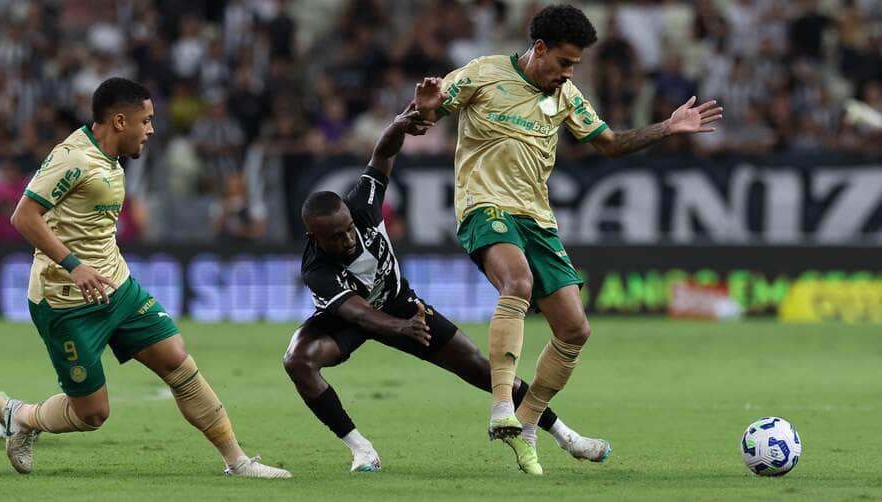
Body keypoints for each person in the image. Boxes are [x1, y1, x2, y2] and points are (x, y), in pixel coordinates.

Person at [413, 4, 723, 474]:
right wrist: (426, 105)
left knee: (575, 330)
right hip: (485, 208)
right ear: (539, 49)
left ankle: (529, 421)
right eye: (564, 62)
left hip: (537, 221)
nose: (569, 72)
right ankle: (501, 408)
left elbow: (611, 144)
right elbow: (431, 109)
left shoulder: (566, 96)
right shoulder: (484, 73)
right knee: (516, 282)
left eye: (575, 64)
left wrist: (668, 127)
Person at [285, 104, 607, 474]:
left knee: (479, 368)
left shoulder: (362, 205)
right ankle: (362, 449)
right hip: (347, 320)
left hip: (401, 305)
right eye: (334, 237)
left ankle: (567, 436)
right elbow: (355, 313)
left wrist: (397, 126)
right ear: (314, 237)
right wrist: (400, 328)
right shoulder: (316, 269)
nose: (346, 239)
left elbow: (382, 154)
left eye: (347, 229)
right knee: (298, 360)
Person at [5, 77, 291, 479]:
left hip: (116, 287)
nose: (151, 130)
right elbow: (23, 216)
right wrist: (75, 265)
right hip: (65, 302)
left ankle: (237, 461)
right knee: (91, 414)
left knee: (177, 360)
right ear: (120, 121)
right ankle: (23, 418)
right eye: (147, 120)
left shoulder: (111, 156)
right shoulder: (73, 158)